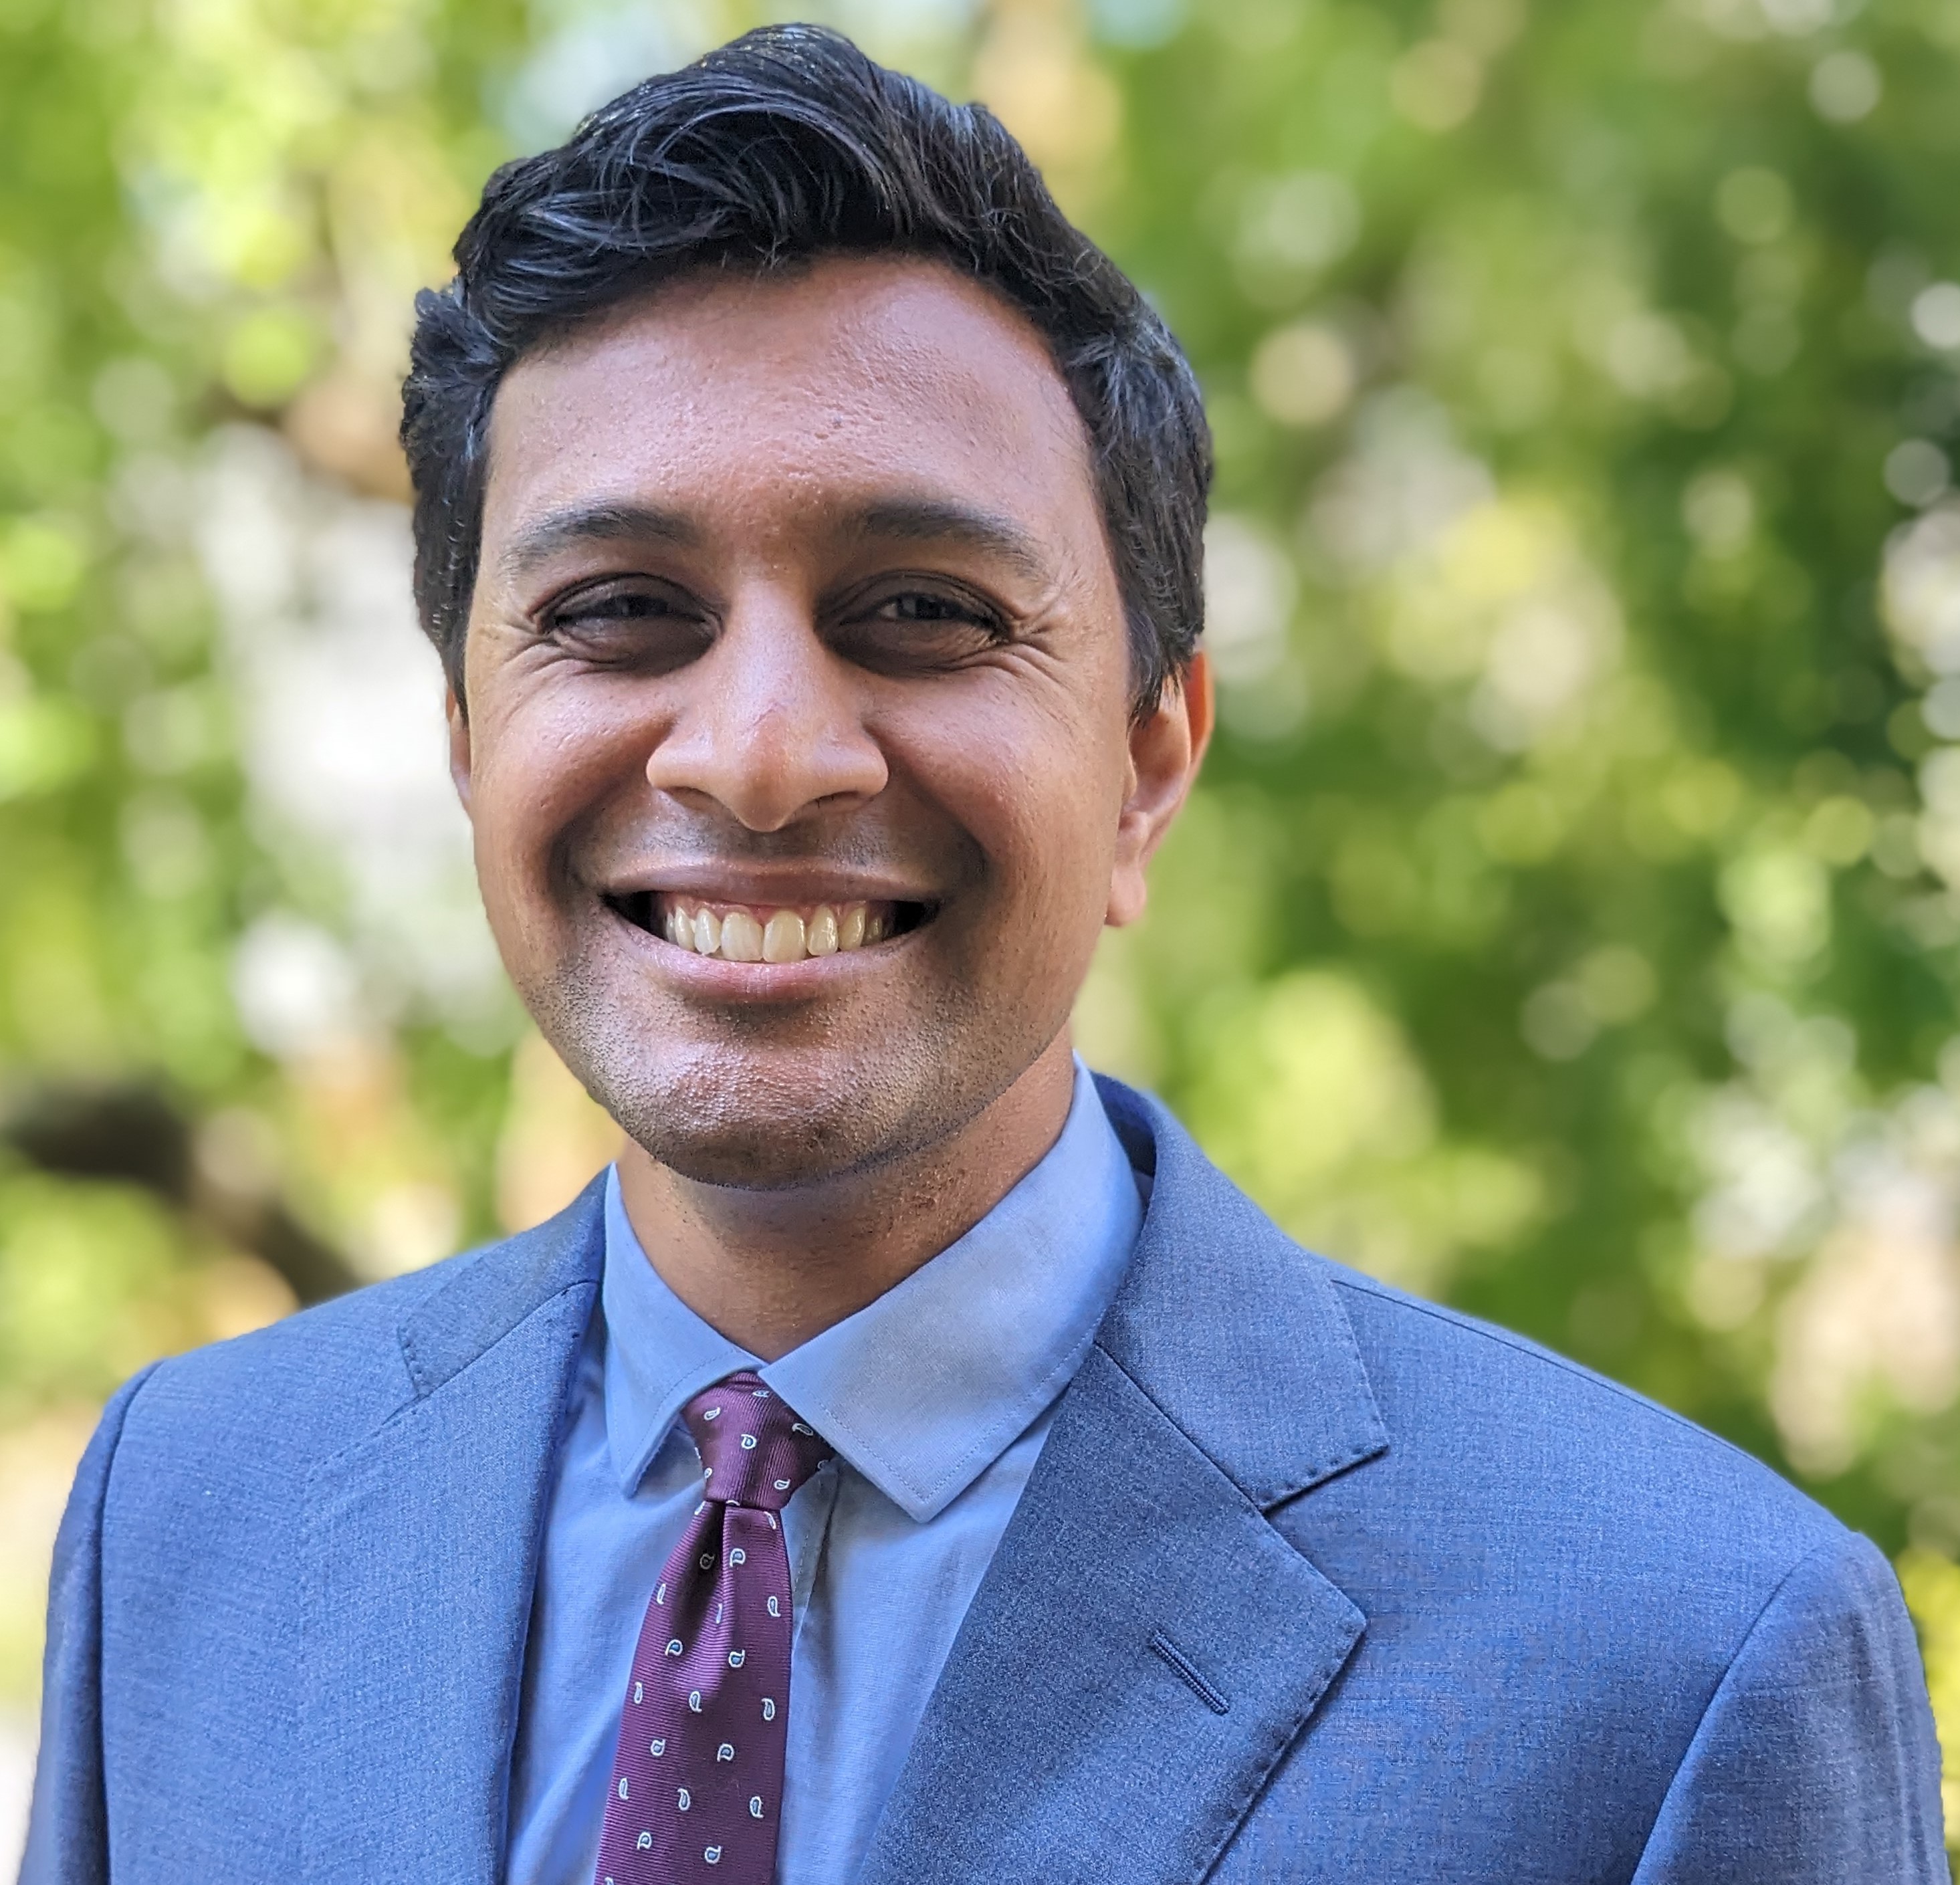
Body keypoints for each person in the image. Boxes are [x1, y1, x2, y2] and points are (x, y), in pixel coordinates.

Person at [21, 23, 1943, 1885]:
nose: (758, 754)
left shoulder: (1687, 1666)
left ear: (1147, 762)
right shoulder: (195, 1506)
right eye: (617, 610)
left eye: (922, 611)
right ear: (466, 738)